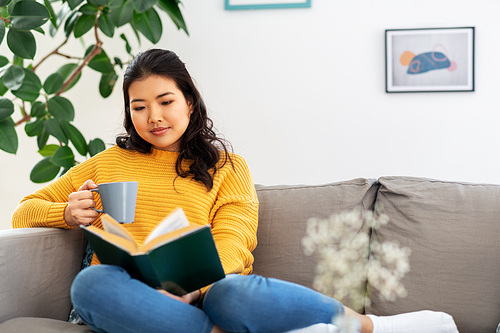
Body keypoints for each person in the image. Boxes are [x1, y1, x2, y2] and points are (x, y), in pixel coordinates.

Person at [11, 49, 458, 333]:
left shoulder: (227, 167)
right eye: (139, 106)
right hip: (127, 296)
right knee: (90, 283)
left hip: (202, 293)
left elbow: (235, 240)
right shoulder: (105, 162)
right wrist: (67, 214)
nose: (154, 117)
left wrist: (190, 288)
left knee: (233, 294)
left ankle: (364, 326)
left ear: (189, 100)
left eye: (165, 101)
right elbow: (23, 211)